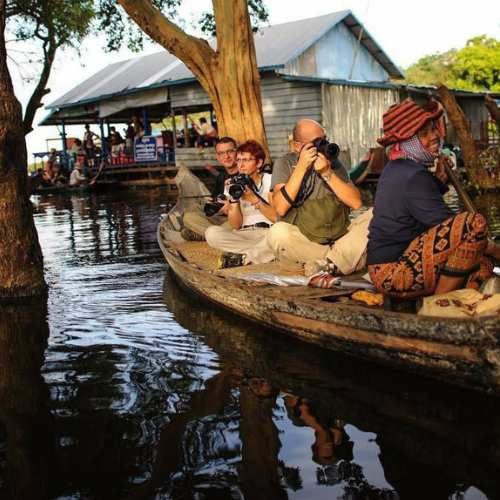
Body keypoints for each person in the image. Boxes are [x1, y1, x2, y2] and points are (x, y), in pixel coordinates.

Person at [367, 98, 500, 298]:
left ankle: (462, 299)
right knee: (474, 224)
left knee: (483, 264)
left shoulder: (399, 168)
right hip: (393, 273)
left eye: (433, 129)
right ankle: (438, 304)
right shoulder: (413, 175)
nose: (436, 135)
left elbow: (418, 208)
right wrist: (496, 249)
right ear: (408, 142)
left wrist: (438, 180)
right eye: (424, 134)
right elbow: (453, 228)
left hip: (394, 264)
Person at [267, 118, 371, 276]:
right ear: (297, 146)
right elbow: (280, 208)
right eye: (317, 142)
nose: (324, 145)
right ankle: (339, 262)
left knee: (374, 215)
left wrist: (327, 173)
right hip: (307, 243)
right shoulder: (285, 163)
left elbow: (356, 203)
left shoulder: (333, 163)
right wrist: (301, 167)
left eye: (325, 140)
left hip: (338, 238)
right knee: (277, 233)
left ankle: (328, 264)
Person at [205, 140, 277, 267]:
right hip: (244, 234)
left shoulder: (270, 180)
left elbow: (277, 218)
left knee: (279, 236)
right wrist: (234, 200)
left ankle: (245, 256)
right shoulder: (234, 185)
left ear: (259, 162)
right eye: (238, 160)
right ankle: (257, 254)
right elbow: (235, 225)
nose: (241, 165)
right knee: (211, 233)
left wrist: (254, 199)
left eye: (246, 160)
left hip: (268, 232)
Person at [182, 136, 239, 240]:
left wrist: (232, 208)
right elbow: (215, 201)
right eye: (221, 153)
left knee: (228, 226)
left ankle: (205, 235)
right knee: (188, 217)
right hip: (222, 219)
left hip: (237, 219)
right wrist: (216, 206)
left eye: (230, 151)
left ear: (237, 153)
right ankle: (214, 235)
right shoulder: (221, 176)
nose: (226, 156)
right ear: (217, 157)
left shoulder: (245, 172)